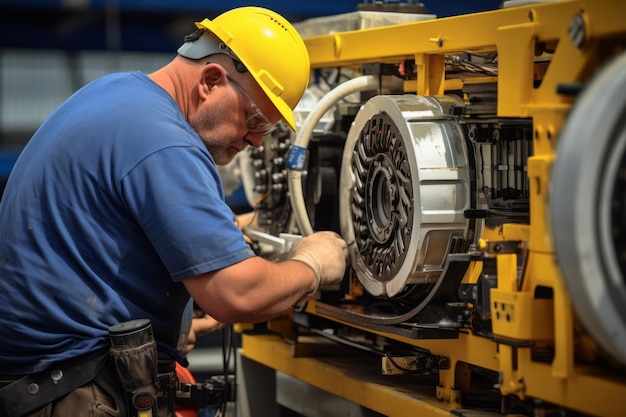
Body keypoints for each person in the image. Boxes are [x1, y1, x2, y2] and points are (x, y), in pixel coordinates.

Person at [0, 6, 348, 417]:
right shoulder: (165, 141)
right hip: (72, 391)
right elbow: (237, 293)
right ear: (212, 80)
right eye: (255, 119)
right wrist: (312, 264)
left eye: (267, 129)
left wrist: (171, 321)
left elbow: (116, 235)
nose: (255, 140)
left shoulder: (118, 94)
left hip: (40, 380)